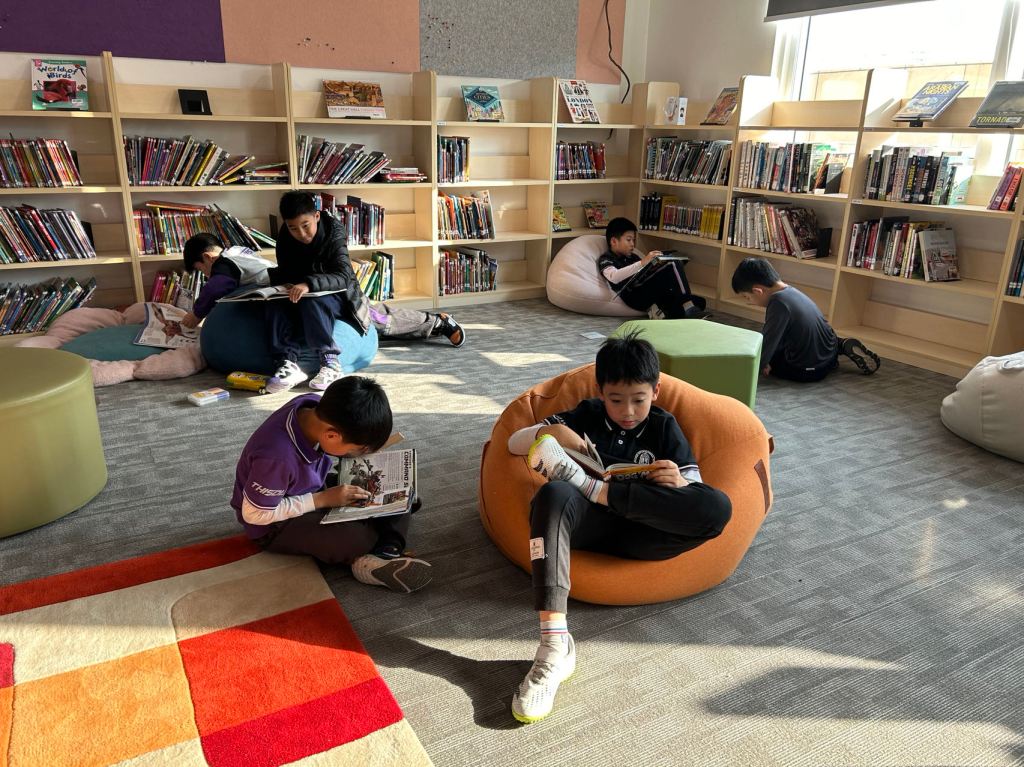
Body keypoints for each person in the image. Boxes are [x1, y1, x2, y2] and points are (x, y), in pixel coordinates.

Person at [505, 332, 733, 723]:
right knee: (553, 494)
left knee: (718, 506)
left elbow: (696, 494)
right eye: (615, 400)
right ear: (601, 392)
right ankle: (554, 646)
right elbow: (512, 442)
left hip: (645, 531)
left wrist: (679, 482)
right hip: (588, 526)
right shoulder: (587, 414)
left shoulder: (664, 426)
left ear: (656, 391)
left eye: (639, 400)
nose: (627, 411)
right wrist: (549, 433)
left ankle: (594, 488)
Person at [232, 375, 432, 593]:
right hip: (274, 524)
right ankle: (371, 556)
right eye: (359, 449)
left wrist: (328, 493)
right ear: (331, 436)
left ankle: (387, 548)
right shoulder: (276, 458)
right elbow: (255, 515)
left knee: (393, 489)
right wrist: (322, 499)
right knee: (355, 538)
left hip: (309, 486)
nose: (358, 454)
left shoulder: (313, 406)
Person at [730, 257, 880, 380]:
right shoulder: (792, 292)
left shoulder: (778, 303)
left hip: (809, 371)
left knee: (766, 349)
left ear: (758, 291)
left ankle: (817, 355)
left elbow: (769, 341)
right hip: (830, 355)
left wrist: (758, 366)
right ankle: (840, 345)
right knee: (800, 331)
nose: (749, 301)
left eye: (747, 297)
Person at [598, 216, 708, 319]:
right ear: (614, 241)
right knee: (672, 264)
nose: (632, 244)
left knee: (700, 301)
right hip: (634, 295)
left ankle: (664, 312)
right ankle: (688, 308)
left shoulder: (633, 256)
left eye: (634, 240)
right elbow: (614, 277)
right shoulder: (606, 259)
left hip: (649, 291)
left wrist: (656, 266)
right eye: (628, 240)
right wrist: (642, 263)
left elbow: (645, 274)